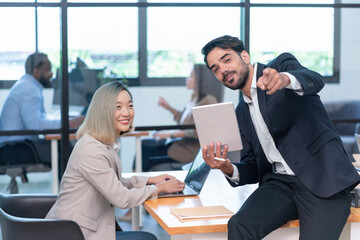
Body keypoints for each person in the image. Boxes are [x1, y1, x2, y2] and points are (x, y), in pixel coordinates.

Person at [200, 35, 360, 240]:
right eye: (215, 69)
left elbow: (314, 79)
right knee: (240, 225)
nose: (222, 70)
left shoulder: (280, 67)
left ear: (245, 56)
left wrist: (285, 79)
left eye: (227, 59)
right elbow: (254, 166)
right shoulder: (241, 112)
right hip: (279, 185)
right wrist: (228, 168)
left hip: (322, 179)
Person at [45, 81, 185, 240]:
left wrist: (150, 180)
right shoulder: (91, 150)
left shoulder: (102, 143)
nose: (126, 113)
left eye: (130, 106)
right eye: (118, 107)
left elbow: (113, 183)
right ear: (102, 111)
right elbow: (123, 199)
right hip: (75, 234)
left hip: (84, 228)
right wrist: (159, 188)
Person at [0, 52, 83, 164]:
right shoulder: (28, 89)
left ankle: (67, 181)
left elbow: (37, 119)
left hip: (16, 146)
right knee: (64, 151)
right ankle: (69, 181)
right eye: (47, 70)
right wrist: (68, 123)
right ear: (36, 70)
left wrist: (64, 120)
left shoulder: (28, 85)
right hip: (14, 149)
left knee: (63, 148)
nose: (51, 74)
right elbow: (35, 125)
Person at [141, 64, 223, 171]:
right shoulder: (194, 99)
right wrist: (168, 108)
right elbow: (184, 123)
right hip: (180, 145)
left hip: (189, 150)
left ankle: (137, 184)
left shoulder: (209, 100)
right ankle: (136, 185)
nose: (188, 79)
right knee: (143, 146)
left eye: (191, 76)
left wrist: (170, 134)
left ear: (200, 80)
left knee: (146, 156)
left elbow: (201, 131)